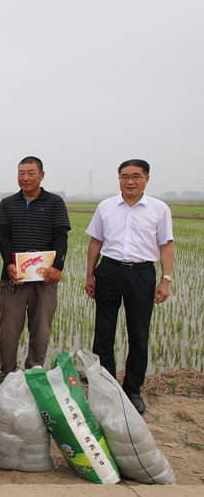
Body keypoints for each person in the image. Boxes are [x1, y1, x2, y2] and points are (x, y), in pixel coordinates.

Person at [85, 159, 173, 414]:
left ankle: (133, 389)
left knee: (139, 333)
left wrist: (165, 279)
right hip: (109, 271)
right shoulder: (106, 207)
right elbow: (95, 242)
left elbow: (166, 245)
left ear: (147, 179)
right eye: (125, 176)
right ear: (119, 179)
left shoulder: (159, 209)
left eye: (136, 176)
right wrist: (90, 275)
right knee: (103, 333)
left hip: (142, 274)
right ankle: (106, 388)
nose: (130, 181)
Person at [0, 156, 70, 383]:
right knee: (8, 329)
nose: (25, 178)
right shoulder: (7, 204)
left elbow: (61, 238)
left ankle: (34, 373)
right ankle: (7, 374)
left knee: (41, 330)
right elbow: (4, 238)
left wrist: (57, 267)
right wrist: (9, 264)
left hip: (44, 279)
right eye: (21, 173)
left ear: (41, 175)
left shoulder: (55, 202)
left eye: (30, 173)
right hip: (14, 277)